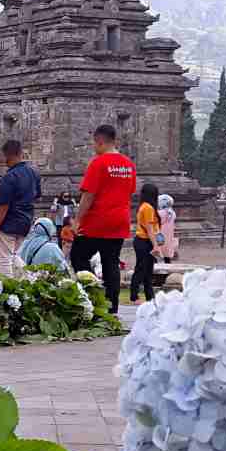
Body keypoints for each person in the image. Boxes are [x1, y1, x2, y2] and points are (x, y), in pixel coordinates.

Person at [70, 125, 136, 314]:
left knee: (78, 256)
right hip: (119, 220)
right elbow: (130, 192)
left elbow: (88, 195)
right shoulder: (128, 165)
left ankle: (91, 295)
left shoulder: (98, 163)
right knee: (111, 262)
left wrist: (77, 221)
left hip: (97, 220)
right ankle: (112, 305)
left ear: (99, 141)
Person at [0, 140, 41, 277]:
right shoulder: (34, 174)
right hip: (25, 222)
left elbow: (3, 208)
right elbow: (37, 196)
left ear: (6, 156)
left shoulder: (8, 178)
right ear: (21, 153)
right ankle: (29, 279)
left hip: (8, 223)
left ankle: (8, 289)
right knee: (15, 255)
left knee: (3, 260)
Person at [130, 183, 162, 303]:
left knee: (148, 270)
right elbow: (149, 229)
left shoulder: (146, 206)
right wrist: (155, 246)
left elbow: (155, 227)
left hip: (147, 241)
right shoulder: (147, 207)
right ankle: (134, 296)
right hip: (144, 241)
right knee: (141, 269)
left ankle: (150, 296)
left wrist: (158, 242)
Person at [156, 194, 178, 263]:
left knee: (157, 252)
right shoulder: (173, 213)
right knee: (167, 254)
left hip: (160, 235)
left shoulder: (159, 213)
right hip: (169, 235)